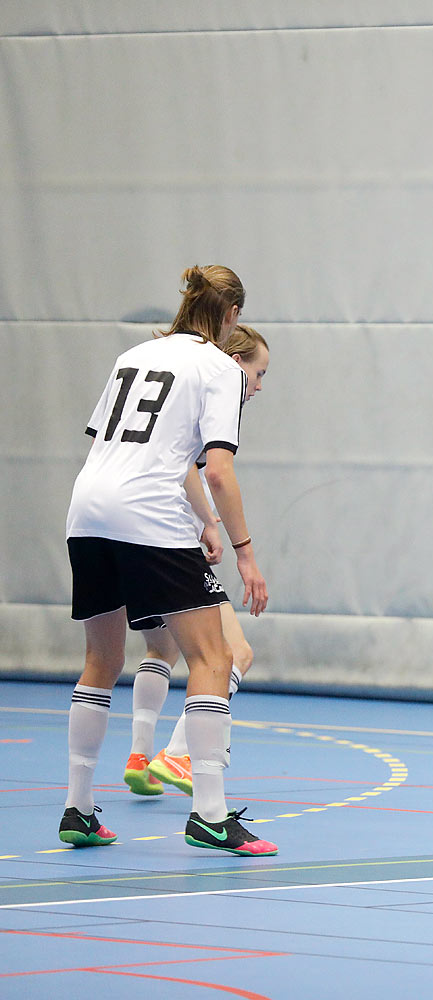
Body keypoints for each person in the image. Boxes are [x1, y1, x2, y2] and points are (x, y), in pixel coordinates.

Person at [60, 265, 276, 856]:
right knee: (216, 655)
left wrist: (202, 521)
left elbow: (125, 444)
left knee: (100, 660)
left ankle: (77, 809)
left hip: (88, 507)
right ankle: (209, 814)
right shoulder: (219, 368)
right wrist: (245, 553)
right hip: (148, 514)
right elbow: (218, 468)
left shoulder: (134, 355)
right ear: (231, 316)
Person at [122, 325, 269, 797]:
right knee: (233, 653)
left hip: (125, 538)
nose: (260, 386)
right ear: (236, 361)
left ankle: (140, 757)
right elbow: (202, 471)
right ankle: (179, 754)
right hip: (169, 542)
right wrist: (215, 524)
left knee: (159, 651)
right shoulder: (214, 392)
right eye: (258, 372)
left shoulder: (179, 387)